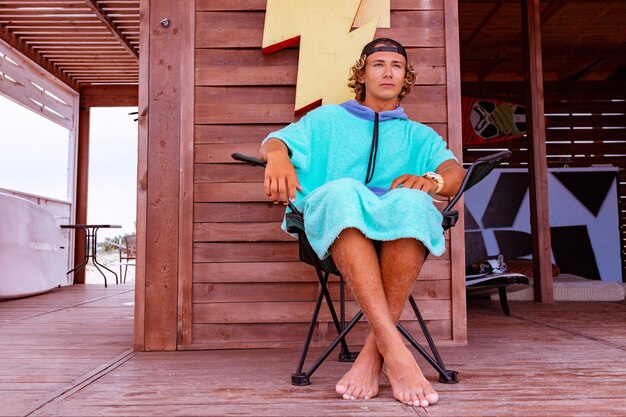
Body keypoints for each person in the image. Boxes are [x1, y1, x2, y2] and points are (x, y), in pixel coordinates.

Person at [259, 38, 465, 408]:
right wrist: (277, 156)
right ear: (362, 73)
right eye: (378, 64)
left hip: (399, 236)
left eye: (397, 66)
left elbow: (453, 171)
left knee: (410, 202)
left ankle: (374, 357)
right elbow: (277, 142)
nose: (388, 72)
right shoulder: (327, 120)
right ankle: (398, 355)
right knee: (342, 193)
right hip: (334, 230)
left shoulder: (419, 136)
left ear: (406, 78)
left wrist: (432, 181)